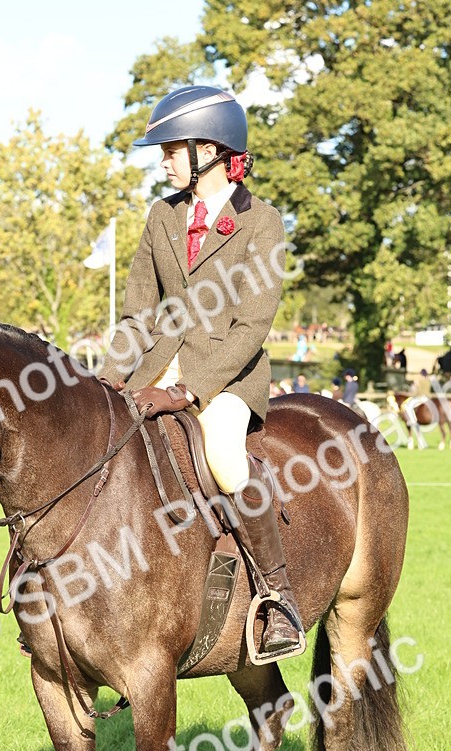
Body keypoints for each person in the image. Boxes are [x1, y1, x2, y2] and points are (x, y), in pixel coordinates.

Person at [101, 84, 303, 659]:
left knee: (224, 457)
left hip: (228, 379)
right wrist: (113, 378)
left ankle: (277, 598)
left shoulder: (262, 223)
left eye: (171, 148)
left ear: (210, 150)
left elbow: (252, 327)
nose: (162, 159)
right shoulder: (161, 216)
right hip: (157, 367)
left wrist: (190, 389)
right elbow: (139, 312)